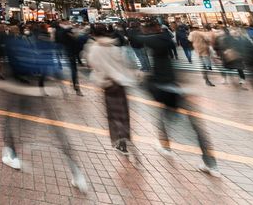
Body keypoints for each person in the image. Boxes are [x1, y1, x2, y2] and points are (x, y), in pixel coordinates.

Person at [0, 23, 88, 192]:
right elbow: (55, 69)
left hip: (20, 92)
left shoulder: (17, 44)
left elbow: (13, 63)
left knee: (9, 123)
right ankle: (77, 173)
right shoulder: (47, 46)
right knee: (58, 133)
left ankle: (11, 153)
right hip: (42, 93)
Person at [138, 21, 218, 176]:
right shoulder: (166, 39)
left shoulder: (153, 42)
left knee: (163, 120)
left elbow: (136, 38)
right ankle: (211, 164)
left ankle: (165, 146)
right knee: (195, 128)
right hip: (177, 87)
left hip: (164, 89)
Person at [84, 23, 137, 155]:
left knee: (113, 114)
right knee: (123, 113)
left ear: (93, 34)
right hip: (121, 83)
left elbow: (93, 64)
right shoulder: (114, 46)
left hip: (108, 84)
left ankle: (120, 143)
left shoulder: (94, 48)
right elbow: (125, 63)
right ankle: (124, 139)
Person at [56, 20, 84, 95]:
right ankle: (75, 86)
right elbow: (76, 39)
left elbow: (58, 41)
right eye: (68, 23)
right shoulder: (67, 31)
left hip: (67, 51)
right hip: (71, 52)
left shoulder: (59, 31)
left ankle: (74, 84)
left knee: (73, 69)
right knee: (73, 69)